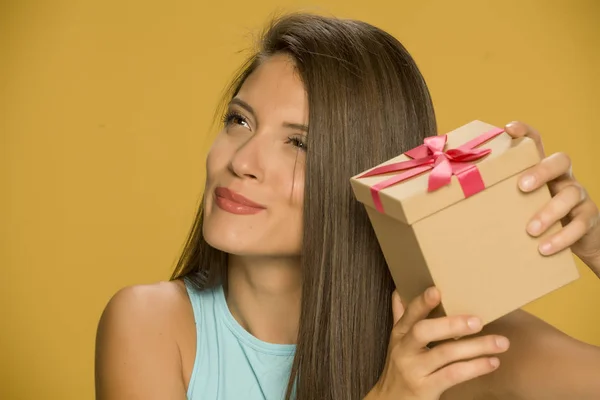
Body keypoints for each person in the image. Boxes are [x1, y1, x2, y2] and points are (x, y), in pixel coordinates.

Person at [94, 13, 600, 400]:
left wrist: (596, 246)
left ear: (369, 181)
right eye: (240, 121)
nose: (242, 161)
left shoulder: (439, 336)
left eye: (300, 144)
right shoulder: (150, 325)